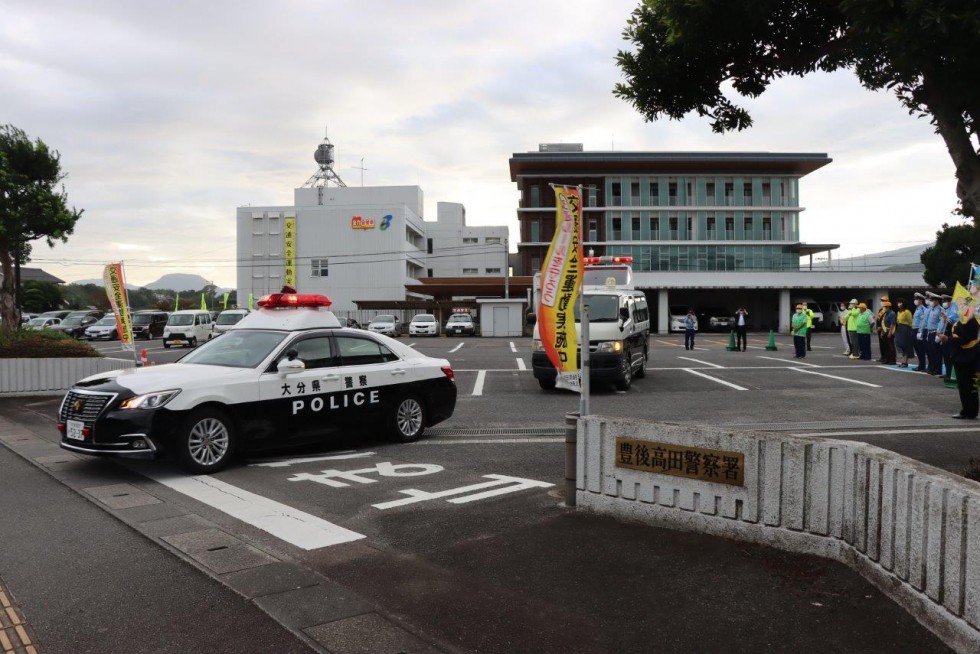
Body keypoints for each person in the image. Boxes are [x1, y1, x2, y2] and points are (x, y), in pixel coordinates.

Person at [945, 302, 980, 419]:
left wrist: (948, 339)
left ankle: (970, 412)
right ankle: (967, 410)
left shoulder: (970, 322)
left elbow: (965, 339)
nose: (960, 309)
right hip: (961, 356)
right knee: (964, 386)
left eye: (962, 307)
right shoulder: (962, 320)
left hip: (968, 357)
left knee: (969, 386)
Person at [922, 293, 943, 375]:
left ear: (937, 301)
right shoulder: (932, 309)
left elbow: (941, 322)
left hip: (936, 333)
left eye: (932, 300)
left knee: (937, 352)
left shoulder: (940, 310)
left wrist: (939, 333)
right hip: (930, 332)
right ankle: (933, 367)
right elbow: (928, 322)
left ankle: (938, 369)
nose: (930, 302)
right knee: (931, 352)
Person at [940, 294, 958, 381]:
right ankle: (947, 373)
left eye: (946, 301)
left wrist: (946, 318)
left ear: (950, 301)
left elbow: (954, 321)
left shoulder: (955, 309)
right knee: (945, 355)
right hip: (945, 334)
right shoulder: (946, 310)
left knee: (950, 355)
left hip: (951, 335)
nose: (944, 303)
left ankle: (951, 374)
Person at [911, 292, 928, 371]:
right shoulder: (917, 308)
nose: (915, 300)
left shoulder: (922, 309)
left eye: (917, 299)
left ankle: (922, 366)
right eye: (915, 299)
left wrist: (920, 332)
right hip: (914, 329)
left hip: (918, 330)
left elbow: (923, 321)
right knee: (917, 349)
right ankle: (920, 365)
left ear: (921, 300)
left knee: (921, 349)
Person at [894, 299, 913, 368]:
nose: (899, 304)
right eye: (898, 303)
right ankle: (903, 361)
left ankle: (905, 362)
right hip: (900, 328)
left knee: (905, 345)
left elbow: (910, 321)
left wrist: (911, 330)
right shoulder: (899, 312)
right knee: (900, 344)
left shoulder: (907, 312)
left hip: (906, 328)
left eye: (900, 302)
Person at [879, 299, 897, 365]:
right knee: (886, 346)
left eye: (885, 307)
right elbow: (883, 322)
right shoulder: (885, 314)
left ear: (888, 307)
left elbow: (893, 324)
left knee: (891, 346)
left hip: (890, 331)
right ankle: (887, 359)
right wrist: (882, 332)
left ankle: (892, 360)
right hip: (885, 331)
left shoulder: (892, 313)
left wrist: (890, 332)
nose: (883, 308)